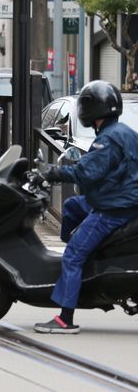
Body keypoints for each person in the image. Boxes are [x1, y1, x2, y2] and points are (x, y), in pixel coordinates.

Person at [35, 81, 138, 334]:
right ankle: (78, 253)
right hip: (113, 199)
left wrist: (53, 172)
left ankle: (65, 319)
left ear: (91, 109)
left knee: (72, 257)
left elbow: (88, 171)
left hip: (112, 209)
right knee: (71, 206)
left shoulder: (109, 139)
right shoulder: (121, 131)